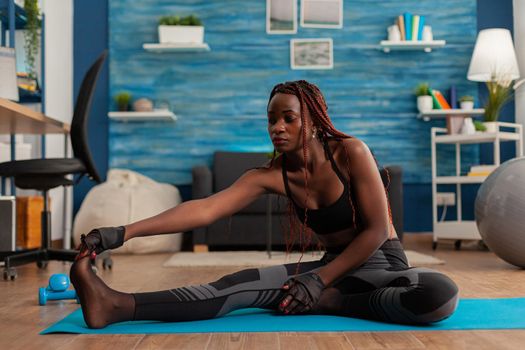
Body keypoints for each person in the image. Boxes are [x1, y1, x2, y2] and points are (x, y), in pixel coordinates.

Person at [71, 80, 459, 329]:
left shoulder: (350, 151)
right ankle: (115, 304)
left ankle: (332, 303)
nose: (278, 127)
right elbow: (204, 209)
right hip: (330, 270)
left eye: (289, 118)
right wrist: (122, 232)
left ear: (313, 120)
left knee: (440, 293)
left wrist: (319, 283)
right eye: (272, 119)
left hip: (381, 267)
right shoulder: (269, 175)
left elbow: (376, 230)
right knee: (234, 286)